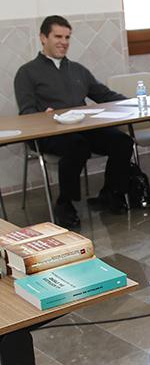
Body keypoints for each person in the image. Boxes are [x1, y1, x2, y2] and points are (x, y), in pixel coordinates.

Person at [14, 15, 134, 228]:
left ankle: (111, 192)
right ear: (43, 38)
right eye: (58, 36)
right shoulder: (26, 73)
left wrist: (134, 102)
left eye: (67, 37)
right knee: (78, 146)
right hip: (48, 134)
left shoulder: (78, 70)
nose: (64, 42)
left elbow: (104, 95)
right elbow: (26, 113)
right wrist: (45, 114)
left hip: (82, 127)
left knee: (121, 141)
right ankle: (65, 203)